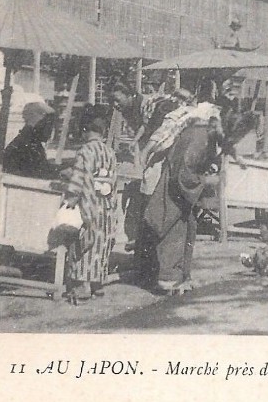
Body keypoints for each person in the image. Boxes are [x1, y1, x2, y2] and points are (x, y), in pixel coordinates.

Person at [136, 117, 224, 294]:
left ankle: (180, 276)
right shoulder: (200, 139)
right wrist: (207, 180)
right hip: (175, 190)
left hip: (178, 188)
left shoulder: (203, 134)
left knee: (188, 226)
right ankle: (169, 278)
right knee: (175, 228)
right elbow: (184, 174)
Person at [61, 116, 118, 303]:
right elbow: (113, 180)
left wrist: (70, 200)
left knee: (84, 243)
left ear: (86, 131)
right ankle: (97, 285)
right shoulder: (109, 151)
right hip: (106, 205)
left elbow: (78, 178)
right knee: (101, 244)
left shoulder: (85, 151)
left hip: (89, 204)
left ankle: (82, 285)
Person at [2, 101, 58, 179]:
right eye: (48, 124)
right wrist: (60, 172)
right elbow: (39, 173)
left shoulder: (31, 141)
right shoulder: (27, 144)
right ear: (37, 123)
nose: (51, 130)